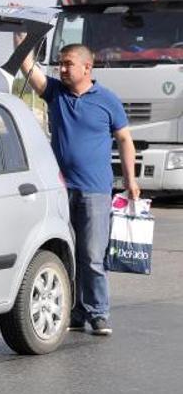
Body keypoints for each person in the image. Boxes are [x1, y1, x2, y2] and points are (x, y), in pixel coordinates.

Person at [15, 32, 140, 336]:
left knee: (92, 257)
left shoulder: (107, 100)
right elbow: (29, 70)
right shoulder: (55, 93)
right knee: (65, 254)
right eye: (60, 64)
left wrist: (131, 180)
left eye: (68, 64)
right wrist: (22, 40)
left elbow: (125, 139)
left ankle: (98, 313)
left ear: (87, 67)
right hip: (60, 190)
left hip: (95, 191)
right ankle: (75, 312)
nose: (62, 69)